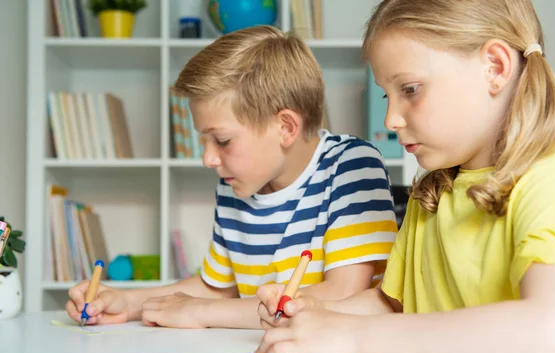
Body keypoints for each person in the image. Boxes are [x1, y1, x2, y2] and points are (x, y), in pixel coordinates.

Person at [253, 0, 555, 353]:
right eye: (389, 95)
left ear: (495, 67)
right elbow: (395, 305)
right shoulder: (433, 196)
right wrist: (312, 314)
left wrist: (355, 337)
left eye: (411, 89)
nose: (391, 118)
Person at [65, 26, 398, 330]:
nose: (208, 158)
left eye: (222, 141)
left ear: (285, 127)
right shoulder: (233, 185)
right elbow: (215, 287)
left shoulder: (352, 165)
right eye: (204, 142)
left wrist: (202, 313)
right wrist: (129, 301)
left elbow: (343, 293)